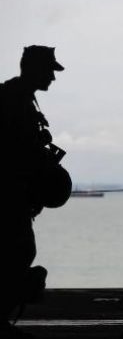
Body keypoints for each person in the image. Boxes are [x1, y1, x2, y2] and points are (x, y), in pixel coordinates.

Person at [0, 46, 64, 338]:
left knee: (17, 253)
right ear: (34, 68)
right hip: (10, 194)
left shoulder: (23, 97)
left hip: (18, 194)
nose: (52, 76)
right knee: (20, 251)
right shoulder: (14, 99)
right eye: (49, 70)